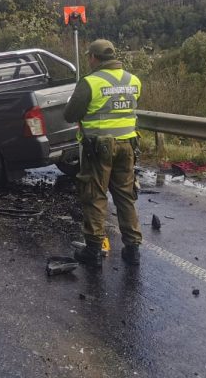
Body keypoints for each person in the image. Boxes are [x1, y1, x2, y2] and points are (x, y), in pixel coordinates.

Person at [63, 39, 143, 267]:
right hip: (127, 145)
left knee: (95, 195)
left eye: (89, 57)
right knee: (125, 195)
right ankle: (133, 249)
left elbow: (70, 114)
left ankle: (94, 249)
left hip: (99, 148)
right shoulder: (133, 80)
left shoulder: (90, 83)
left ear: (93, 58)